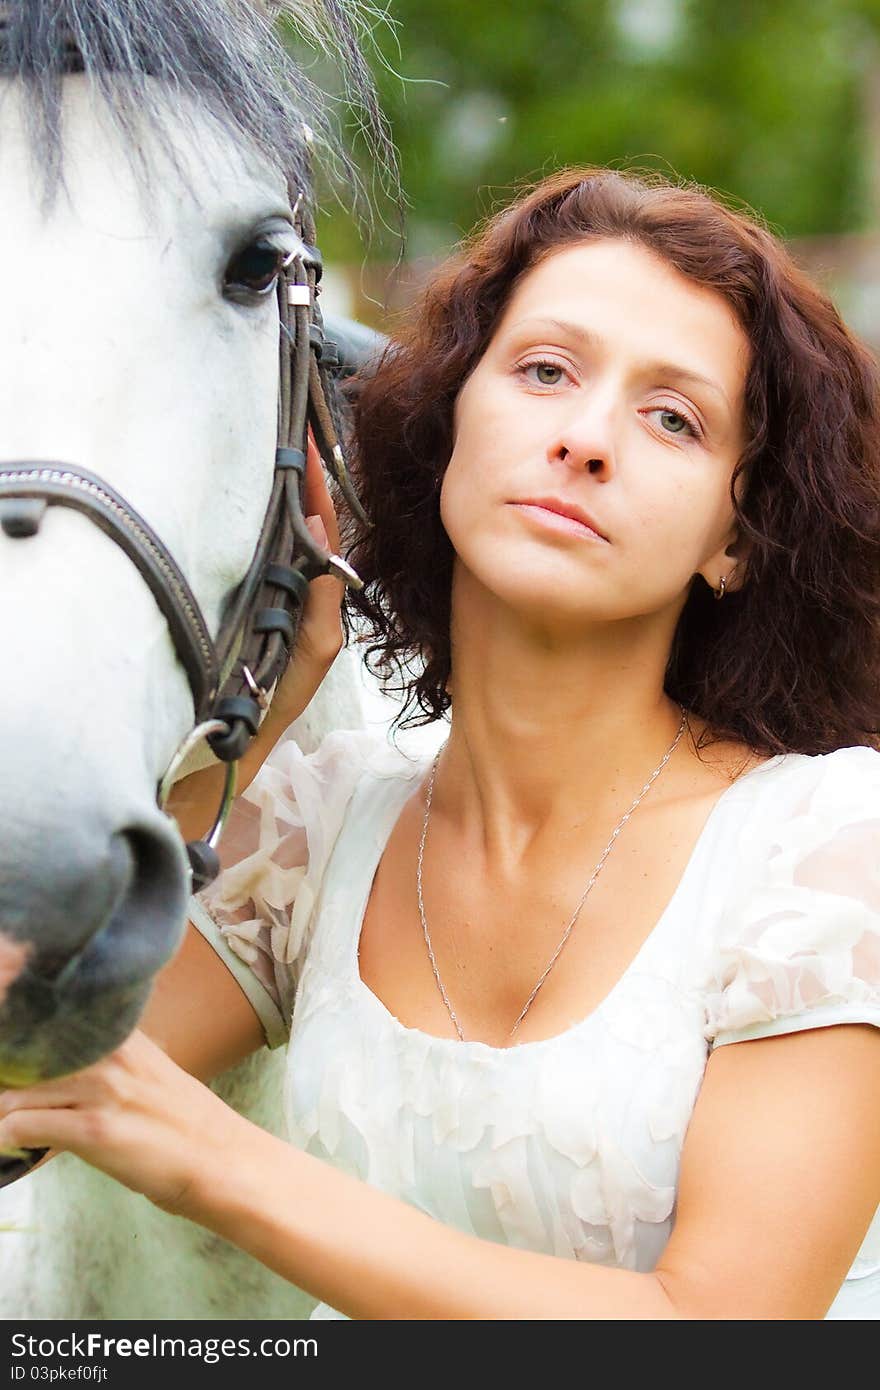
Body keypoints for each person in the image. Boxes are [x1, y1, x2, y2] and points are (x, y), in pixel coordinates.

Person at [2, 167, 879, 1320]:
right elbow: (20, 1060)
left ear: (736, 537)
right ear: (447, 422)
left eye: (672, 417)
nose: (585, 438)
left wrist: (213, 1160)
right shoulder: (322, 830)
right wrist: (255, 727)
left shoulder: (819, 849)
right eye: (545, 371)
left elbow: (722, 1326)